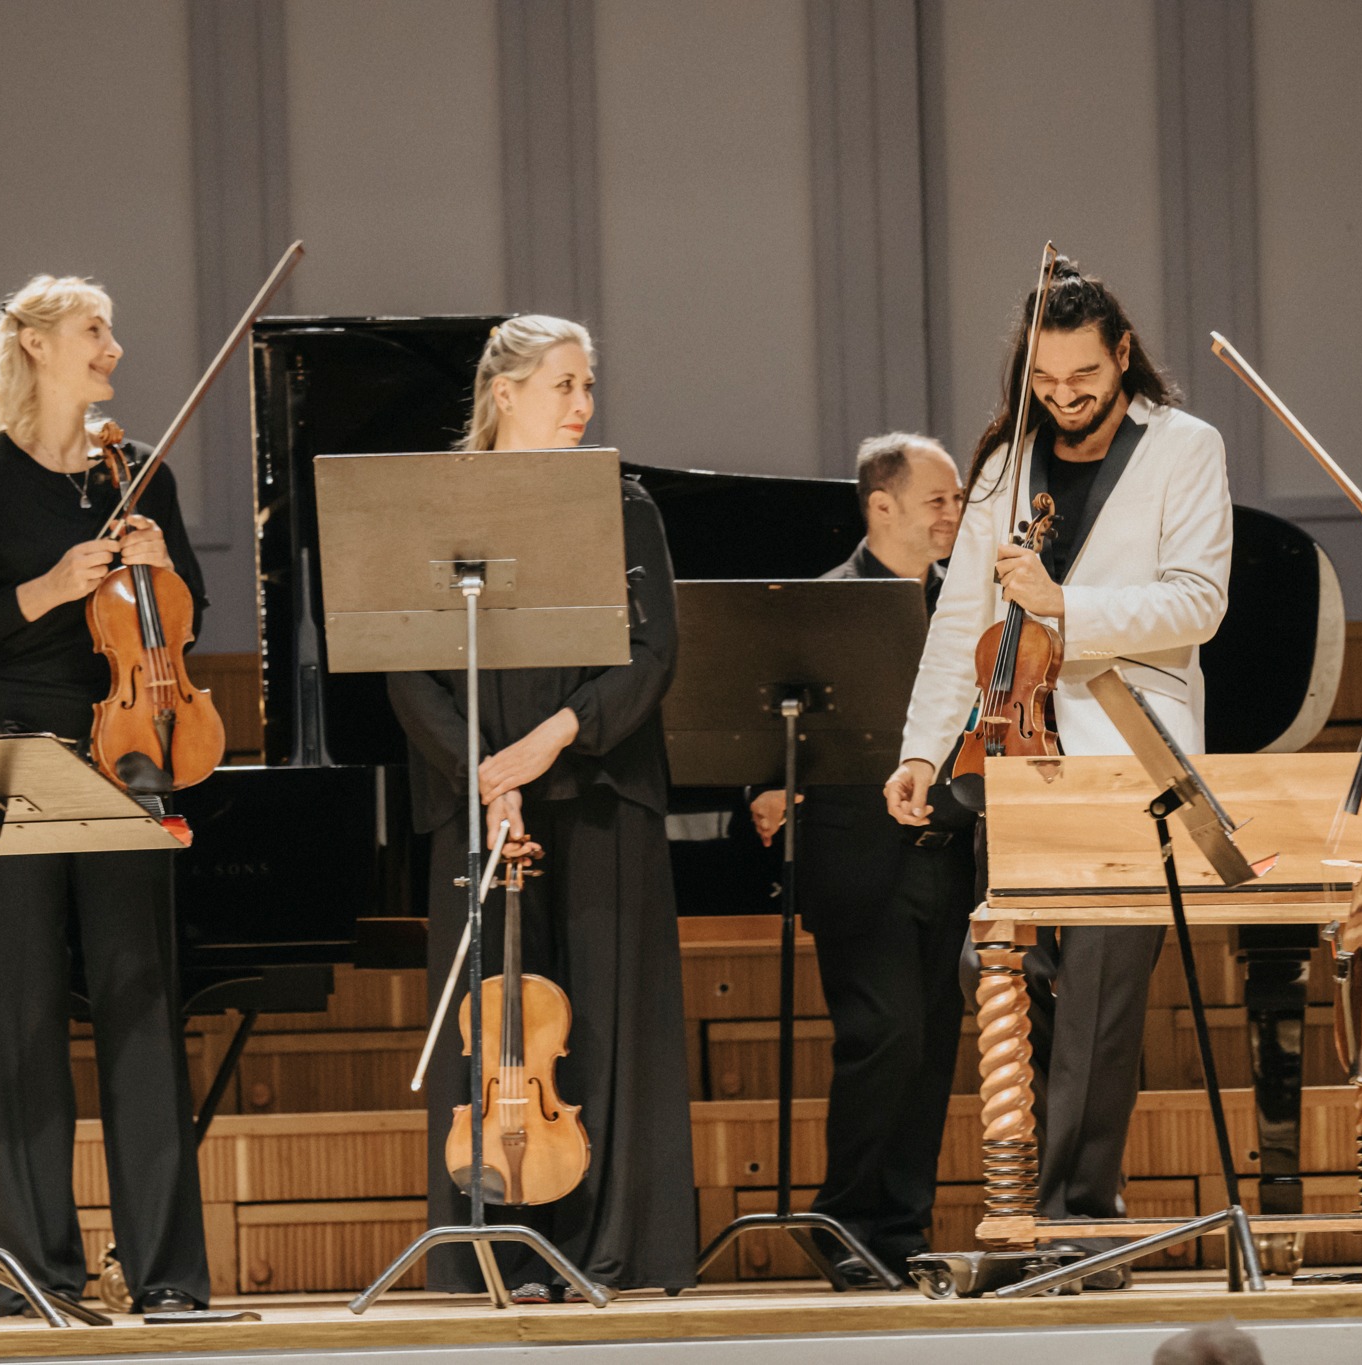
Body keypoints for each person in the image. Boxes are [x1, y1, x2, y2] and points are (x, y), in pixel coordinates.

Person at [884, 261, 1232, 1281]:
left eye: (1082, 374)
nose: (1065, 395)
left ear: (1120, 354)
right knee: (998, 974)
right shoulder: (1006, 461)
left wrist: (1065, 607)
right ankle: (1029, 1212)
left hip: (1130, 750)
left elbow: (1196, 602)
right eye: (1045, 378)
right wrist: (918, 746)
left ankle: (1080, 1215)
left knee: (1098, 998)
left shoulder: (1183, 448)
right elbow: (962, 622)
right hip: (1019, 752)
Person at [0, 275, 209, 1315]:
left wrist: (161, 566)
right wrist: (47, 588)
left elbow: (186, 620)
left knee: (140, 1008)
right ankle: (36, 1276)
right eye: (94, 330)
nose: (112, 348)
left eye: (112, 331)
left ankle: (167, 1277)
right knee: (24, 1013)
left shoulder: (135, 474)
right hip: (12, 752)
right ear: (35, 346)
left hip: (125, 751)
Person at [386, 314, 697, 1302]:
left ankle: (608, 1253)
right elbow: (404, 663)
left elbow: (654, 655)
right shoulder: (433, 508)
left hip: (598, 785)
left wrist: (553, 737)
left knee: (600, 1026)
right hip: (479, 800)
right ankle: (499, 1254)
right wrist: (484, 774)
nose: (581, 405)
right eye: (562, 385)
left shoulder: (622, 503)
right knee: (496, 1039)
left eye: (587, 385)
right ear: (503, 391)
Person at [746, 432, 973, 1285]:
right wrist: (765, 789)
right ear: (882, 506)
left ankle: (904, 1232)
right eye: (938, 500)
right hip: (857, 857)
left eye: (955, 499)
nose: (954, 513)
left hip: (947, 852)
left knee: (933, 1048)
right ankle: (843, 1220)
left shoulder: (962, 602)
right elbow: (767, 716)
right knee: (884, 1034)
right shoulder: (828, 604)